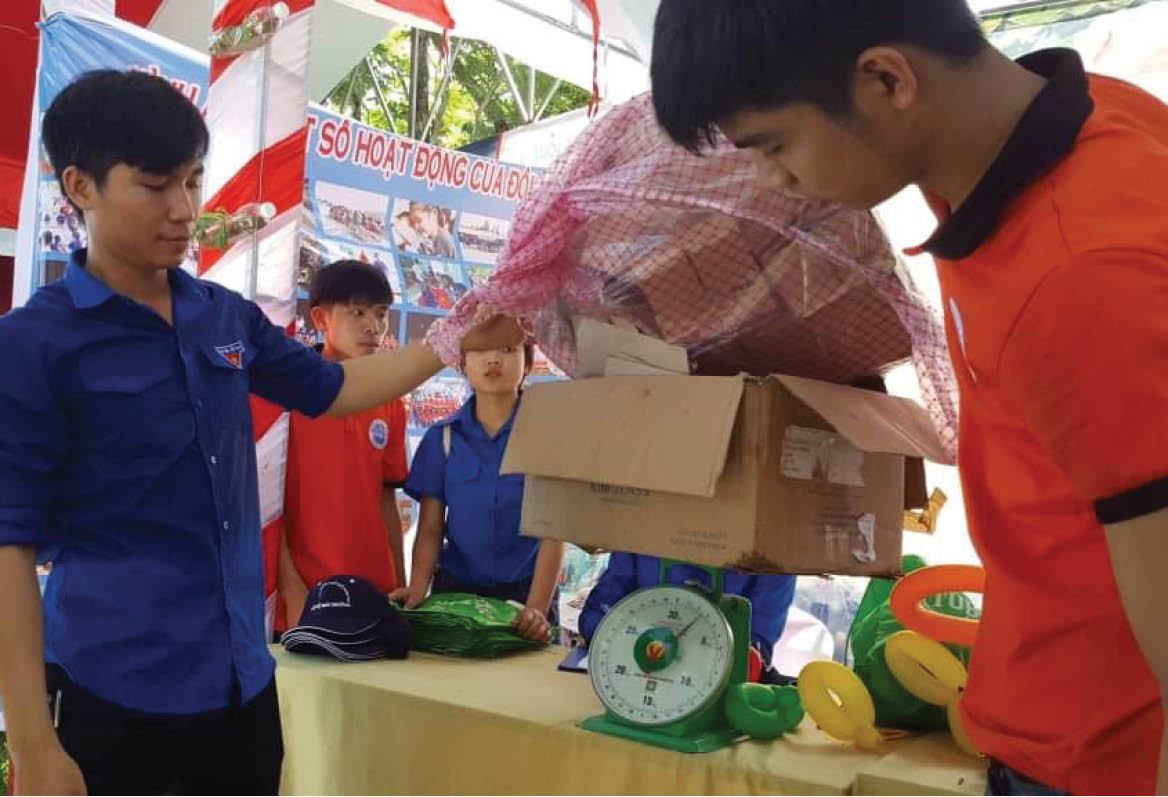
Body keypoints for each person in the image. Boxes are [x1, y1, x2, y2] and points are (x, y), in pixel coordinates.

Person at [651, 2, 1168, 793]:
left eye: (775, 145)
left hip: (1097, 762)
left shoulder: (1081, 271)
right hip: (1050, 705)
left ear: (888, 80)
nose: (770, 179)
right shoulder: (1068, 133)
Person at [0, 70, 518, 796]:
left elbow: (337, 389)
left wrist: (454, 336)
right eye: (154, 186)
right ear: (80, 186)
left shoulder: (223, 316)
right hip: (113, 689)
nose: (184, 209)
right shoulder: (33, 344)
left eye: (193, 180)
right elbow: (9, 545)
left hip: (242, 685)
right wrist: (33, 742)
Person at [393, 340, 564, 643]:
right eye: (480, 350)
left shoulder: (549, 439)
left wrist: (537, 609)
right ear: (462, 363)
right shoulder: (442, 438)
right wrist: (417, 587)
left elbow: (554, 531)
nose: (493, 358)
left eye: (508, 349)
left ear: (527, 363)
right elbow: (431, 528)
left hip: (526, 596)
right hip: (456, 594)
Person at [276, 260, 410, 633]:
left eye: (380, 313)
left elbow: (386, 500)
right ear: (321, 319)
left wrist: (399, 581)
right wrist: (292, 588)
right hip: (307, 595)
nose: (373, 326)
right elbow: (267, 506)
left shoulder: (390, 401)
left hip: (375, 593)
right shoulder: (286, 395)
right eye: (358, 312)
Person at [578, 553, 796, 681]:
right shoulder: (640, 527)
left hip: (713, 692)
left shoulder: (773, 551)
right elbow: (595, 618)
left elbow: (754, 649)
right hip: (631, 677)